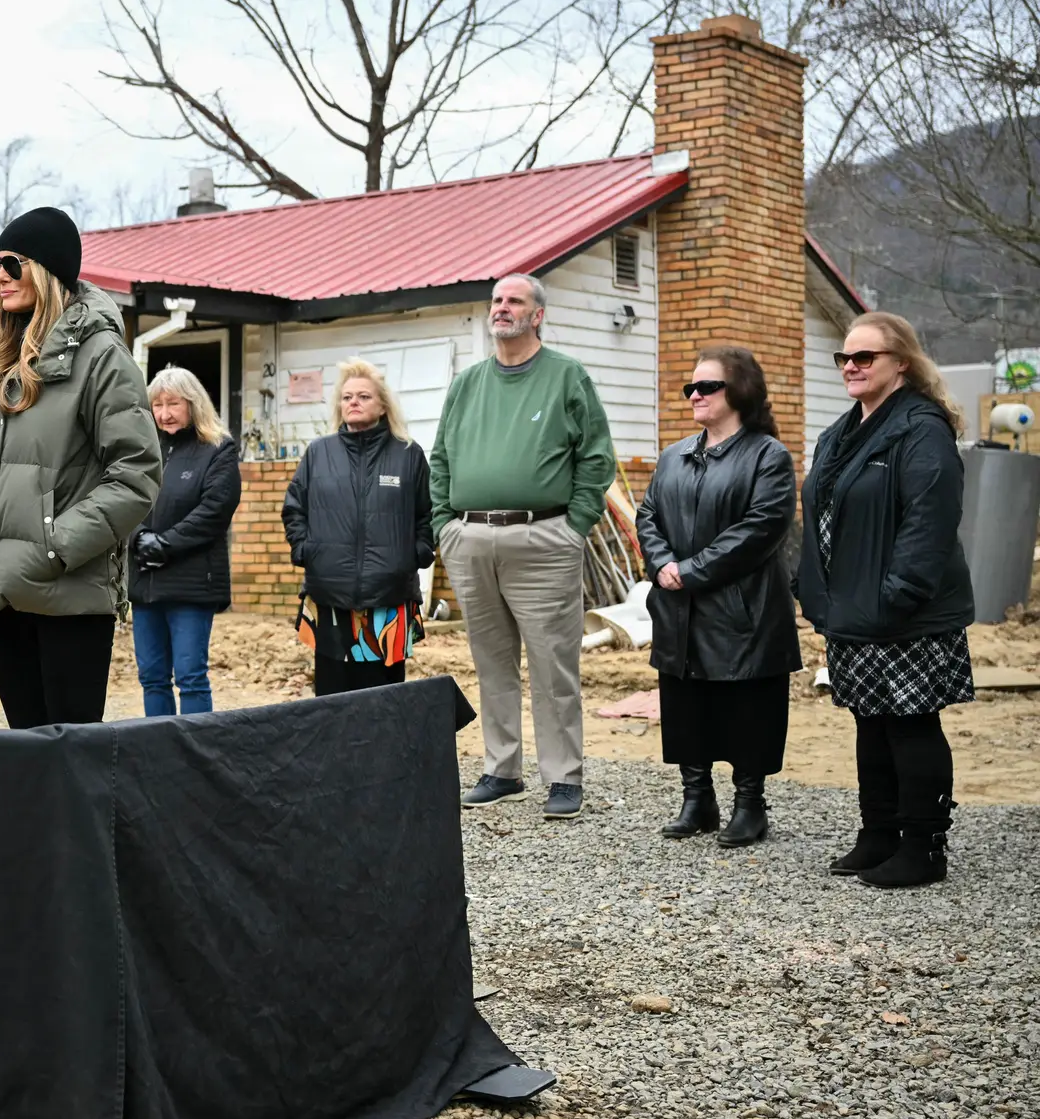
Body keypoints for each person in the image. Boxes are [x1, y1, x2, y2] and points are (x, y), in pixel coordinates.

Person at [0, 206, 161, 727]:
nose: (1, 276)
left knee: (73, 754)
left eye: (13, 263)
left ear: (49, 270)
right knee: (27, 749)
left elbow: (137, 472)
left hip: (67, 592)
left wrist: (54, 547)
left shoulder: (101, 356)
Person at [800, 312, 974, 889]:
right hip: (854, 610)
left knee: (910, 724)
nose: (850, 366)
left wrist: (897, 597)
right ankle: (878, 833)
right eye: (844, 358)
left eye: (864, 357)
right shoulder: (842, 431)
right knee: (870, 722)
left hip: (906, 611)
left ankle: (923, 847)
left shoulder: (922, 429)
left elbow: (930, 522)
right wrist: (812, 588)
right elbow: (820, 514)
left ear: (901, 362)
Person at [433, 273, 616, 819]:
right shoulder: (467, 384)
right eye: (496, 300)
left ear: (538, 315)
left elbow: (596, 457)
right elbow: (441, 458)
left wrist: (575, 525)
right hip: (471, 538)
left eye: (514, 300)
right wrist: (445, 525)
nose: (501, 308)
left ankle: (562, 776)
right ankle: (502, 769)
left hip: (545, 539)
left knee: (553, 665)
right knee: (491, 663)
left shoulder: (566, 376)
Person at [635, 348, 801, 846]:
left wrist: (689, 571)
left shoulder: (768, 456)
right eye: (691, 387)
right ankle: (697, 799)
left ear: (741, 391)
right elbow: (648, 514)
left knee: (747, 708)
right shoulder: (674, 455)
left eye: (707, 386)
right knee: (687, 704)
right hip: (679, 607)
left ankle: (750, 805)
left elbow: (761, 528)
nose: (695, 395)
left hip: (743, 609)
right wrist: (664, 565)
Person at [283, 359, 432, 695]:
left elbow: (427, 514)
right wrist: (307, 551)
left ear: (383, 406)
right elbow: (294, 509)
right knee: (332, 700)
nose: (353, 402)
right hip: (330, 597)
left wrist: (415, 555)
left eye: (364, 396)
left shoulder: (408, 455)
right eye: (347, 397)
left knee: (384, 701)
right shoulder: (318, 453)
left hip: (389, 599)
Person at [129, 366, 241, 715]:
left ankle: (195, 746)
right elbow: (122, 499)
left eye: (173, 404)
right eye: (157, 405)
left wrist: (165, 544)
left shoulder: (218, 449)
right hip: (145, 582)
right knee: (152, 677)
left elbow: (214, 510)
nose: (164, 413)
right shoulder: (141, 450)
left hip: (192, 583)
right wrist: (138, 536)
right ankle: (158, 743)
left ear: (193, 404)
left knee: (191, 676)